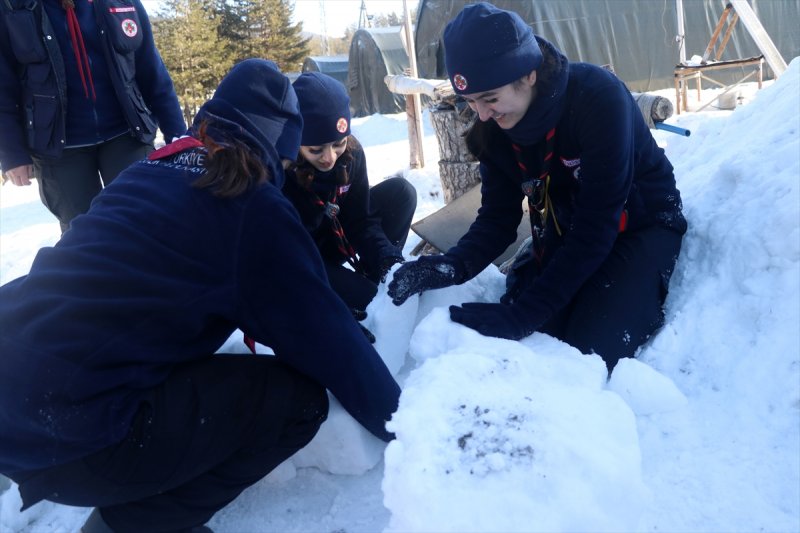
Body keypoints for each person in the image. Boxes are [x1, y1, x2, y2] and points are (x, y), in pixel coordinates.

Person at [0, 59, 400, 533]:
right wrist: (404, 425)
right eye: (288, 161)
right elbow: (328, 342)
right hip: (72, 435)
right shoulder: (251, 205)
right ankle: (143, 523)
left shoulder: (148, 170)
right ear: (274, 150)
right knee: (296, 402)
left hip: (16, 388)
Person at [388, 2, 687, 373]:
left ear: (528, 75)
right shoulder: (493, 128)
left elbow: (597, 225)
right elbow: (498, 219)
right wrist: (449, 266)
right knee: (539, 336)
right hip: (567, 227)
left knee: (585, 352)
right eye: (470, 101)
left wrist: (522, 315)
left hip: (638, 223)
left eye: (490, 99)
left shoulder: (597, 99)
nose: (481, 114)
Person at [0, 0, 185, 233]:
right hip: (60, 149)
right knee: (83, 236)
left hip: (126, 135)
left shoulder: (123, 4)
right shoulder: (12, 9)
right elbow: (3, 87)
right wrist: (12, 154)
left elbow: (152, 71)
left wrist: (178, 135)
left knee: (143, 221)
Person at [283, 71, 417, 316]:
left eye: (338, 144)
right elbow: (283, 251)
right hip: (300, 256)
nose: (330, 158)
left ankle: (375, 276)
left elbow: (361, 220)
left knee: (401, 193)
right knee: (367, 301)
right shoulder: (282, 168)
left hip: (336, 238)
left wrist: (387, 259)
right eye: (316, 150)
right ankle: (353, 292)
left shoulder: (351, 155)